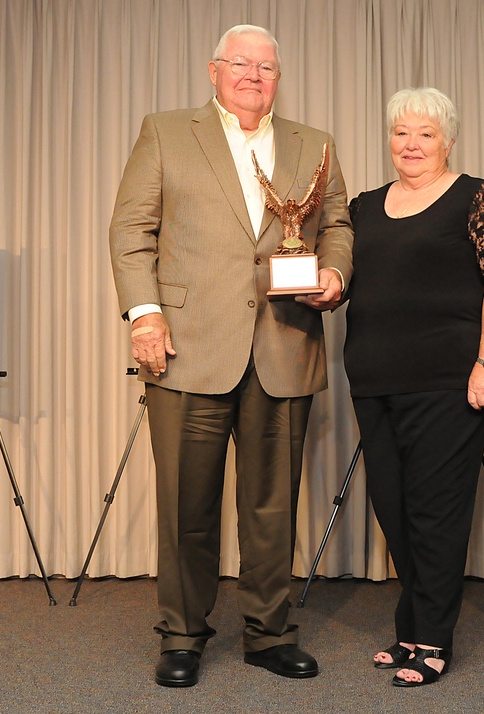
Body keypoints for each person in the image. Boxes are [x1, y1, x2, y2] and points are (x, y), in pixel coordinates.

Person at [108, 24, 353, 688]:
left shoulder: (314, 143)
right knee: (186, 505)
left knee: (273, 508)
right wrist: (144, 313)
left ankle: (270, 633)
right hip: (188, 349)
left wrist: (334, 274)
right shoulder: (165, 131)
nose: (254, 75)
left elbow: (336, 225)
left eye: (267, 67)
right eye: (241, 64)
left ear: (279, 77)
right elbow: (131, 228)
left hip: (285, 341)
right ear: (213, 71)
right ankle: (182, 635)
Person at [344, 87, 484, 687]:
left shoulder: (479, 198)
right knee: (393, 510)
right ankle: (409, 627)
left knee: (435, 512)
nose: (412, 144)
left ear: (448, 139)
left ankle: (434, 639)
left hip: (450, 383)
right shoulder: (364, 206)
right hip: (373, 381)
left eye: (425, 133)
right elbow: (343, 280)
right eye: (401, 133)